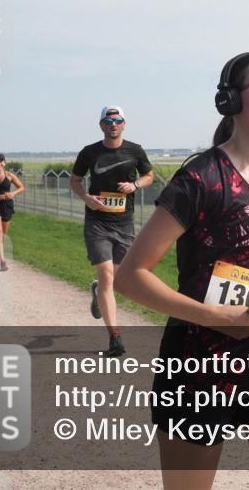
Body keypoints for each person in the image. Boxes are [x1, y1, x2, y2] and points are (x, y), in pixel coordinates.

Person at [115, 53, 249, 490]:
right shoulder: (201, 179)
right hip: (198, 365)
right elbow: (130, 276)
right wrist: (218, 317)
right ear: (231, 101)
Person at [70, 106, 154, 357]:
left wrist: (135, 185)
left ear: (124, 124)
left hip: (124, 223)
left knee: (116, 280)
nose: (113, 124)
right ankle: (115, 338)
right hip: (97, 223)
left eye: (117, 120)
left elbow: (149, 175)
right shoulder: (89, 152)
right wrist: (86, 198)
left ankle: (98, 291)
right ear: (101, 125)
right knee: (107, 275)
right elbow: (75, 180)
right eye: (108, 120)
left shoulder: (135, 150)